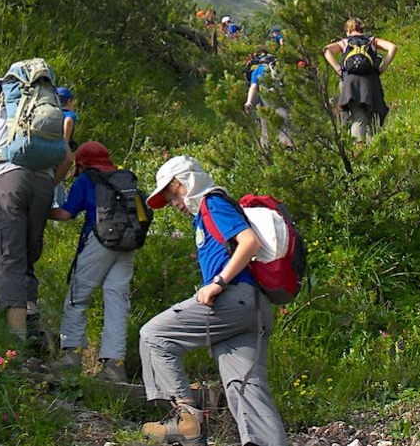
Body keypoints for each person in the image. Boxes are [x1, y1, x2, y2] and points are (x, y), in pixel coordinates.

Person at [139, 155, 288, 446]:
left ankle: (187, 420)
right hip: (253, 309)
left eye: (173, 196)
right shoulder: (206, 213)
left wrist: (218, 282)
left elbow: (249, 242)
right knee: (246, 388)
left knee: (154, 335)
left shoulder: (213, 203)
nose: (174, 204)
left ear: (184, 183)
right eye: (169, 200)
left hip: (234, 298)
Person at [0, 75, 73, 341]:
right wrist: (48, 185)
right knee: (27, 254)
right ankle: (31, 322)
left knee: (7, 256)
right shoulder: (45, 113)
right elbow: (67, 158)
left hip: (8, 182)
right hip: (43, 185)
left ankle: (15, 342)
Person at [47, 141, 136, 383]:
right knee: (117, 301)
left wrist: (40, 210)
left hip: (99, 240)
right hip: (127, 243)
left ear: (82, 162)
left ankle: (72, 354)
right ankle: (115, 365)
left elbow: (66, 213)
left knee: (78, 296)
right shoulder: (124, 179)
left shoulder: (87, 179)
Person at [323, 18, 397, 146]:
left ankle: (358, 149)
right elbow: (392, 47)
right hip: (370, 82)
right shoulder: (372, 40)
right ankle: (372, 147)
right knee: (373, 116)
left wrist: (338, 69)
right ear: (362, 29)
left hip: (350, 84)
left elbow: (326, 50)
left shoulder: (345, 42)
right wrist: (383, 67)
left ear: (348, 30)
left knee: (358, 117)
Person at [244, 52, 292, 150]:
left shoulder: (258, 70)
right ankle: (287, 146)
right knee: (284, 123)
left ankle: (266, 150)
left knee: (265, 126)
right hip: (280, 99)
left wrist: (249, 102)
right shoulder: (277, 68)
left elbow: (253, 87)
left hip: (266, 101)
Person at [53, 86, 78, 207]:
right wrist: (66, 141)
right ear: (69, 101)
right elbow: (68, 120)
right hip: (59, 153)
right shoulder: (69, 114)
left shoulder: (53, 113)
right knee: (55, 183)